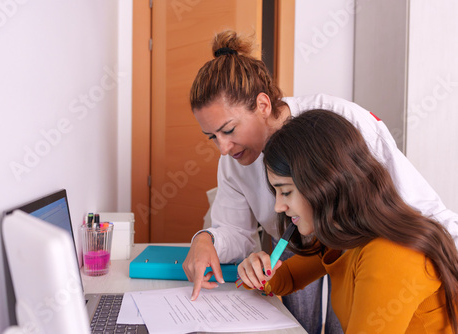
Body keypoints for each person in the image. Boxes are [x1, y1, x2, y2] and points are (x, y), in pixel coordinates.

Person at [182, 30, 458, 334]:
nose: (222, 148)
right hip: (317, 234)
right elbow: (279, 270)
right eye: (212, 138)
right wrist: (222, 249)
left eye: (229, 130)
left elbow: (421, 212)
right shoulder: (338, 239)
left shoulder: (342, 123)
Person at [237, 109, 458, 333]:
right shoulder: (343, 235)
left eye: (285, 192)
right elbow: (289, 276)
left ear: (323, 183)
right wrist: (257, 272)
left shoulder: (389, 252)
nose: (278, 207)